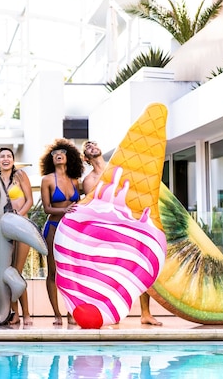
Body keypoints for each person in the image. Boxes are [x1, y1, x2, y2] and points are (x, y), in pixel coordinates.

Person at [81, 140, 163, 326]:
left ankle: (146, 314)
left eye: (93, 144)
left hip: (131, 224)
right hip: (109, 230)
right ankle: (112, 311)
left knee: (142, 266)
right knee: (111, 272)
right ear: (86, 157)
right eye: (87, 148)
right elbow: (94, 208)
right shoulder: (89, 181)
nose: (92, 146)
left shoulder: (119, 167)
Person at [39, 138, 84, 325]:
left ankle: (71, 311)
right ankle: (57, 313)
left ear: (69, 157)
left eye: (63, 152)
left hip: (72, 230)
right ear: (51, 159)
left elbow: (80, 204)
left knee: (72, 272)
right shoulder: (47, 180)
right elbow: (47, 208)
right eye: (54, 153)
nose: (58, 155)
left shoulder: (75, 181)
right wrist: (64, 210)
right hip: (54, 227)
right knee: (53, 272)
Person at [0, 147, 34, 325]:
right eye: (2, 156)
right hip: (3, 230)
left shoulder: (20, 176)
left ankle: (26, 313)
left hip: (21, 226)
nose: (6, 159)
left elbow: (29, 201)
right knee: (6, 273)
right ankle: (14, 313)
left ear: (12, 160)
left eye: (9, 156)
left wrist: (18, 217)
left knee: (16, 272)